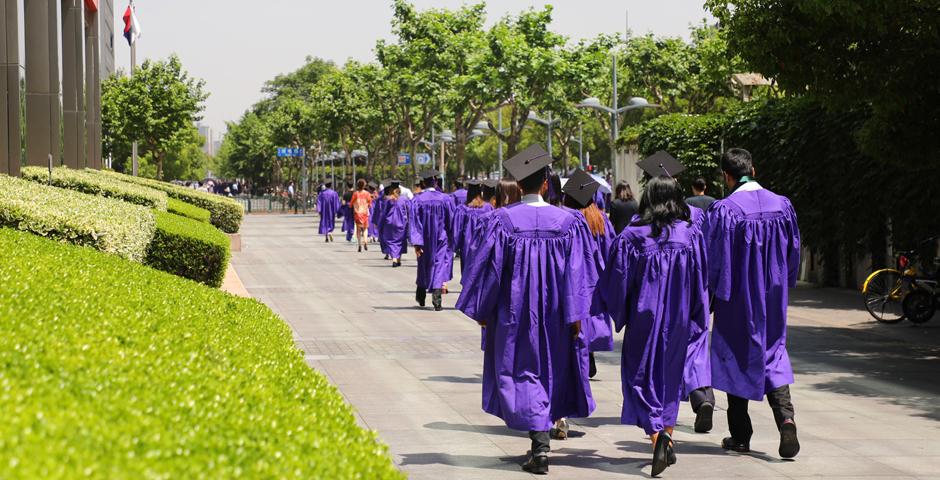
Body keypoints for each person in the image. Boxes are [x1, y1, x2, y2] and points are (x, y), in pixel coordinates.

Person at [456, 145, 595, 475]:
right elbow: (579, 274)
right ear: (547, 184)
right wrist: (576, 316)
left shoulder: (501, 221)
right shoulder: (569, 222)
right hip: (557, 315)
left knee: (523, 373)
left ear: (519, 186)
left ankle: (540, 444)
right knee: (551, 371)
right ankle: (542, 440)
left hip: (514, 315)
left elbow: (486, 270)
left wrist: (484, 313)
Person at [599, 175, 710, 476]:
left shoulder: (633, 236)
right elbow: (701, 281)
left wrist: (617, 311)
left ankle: (657, 436)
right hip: (679, 320)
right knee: (669, 379)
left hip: (643, 320)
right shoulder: (690, 234)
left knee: (638, 377)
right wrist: (698, 316)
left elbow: (618, 283)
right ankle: (667, 438)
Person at [705, 148, 801, 459]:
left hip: (737, 297)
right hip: (772, 296)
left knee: (736, 356)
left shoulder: (724, 210)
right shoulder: (782, 206)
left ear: (726, 176)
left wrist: (708, 297)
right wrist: (784, 286)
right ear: (754, 169)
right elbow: (793, 253)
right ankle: (786, 420)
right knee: (773, 352)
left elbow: (714, 261)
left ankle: (741, 436)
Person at [561, 169, 615, 379]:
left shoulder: (565, 219)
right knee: (590, 319)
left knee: (576, 319)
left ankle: (582, 358)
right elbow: (610, 250)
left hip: (573, 279)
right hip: (595, 279)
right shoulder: (600, 219)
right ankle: (588, 355)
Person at [410, 169, 455, 311]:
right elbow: (451, 220)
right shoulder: (445, 199)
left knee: (423, 264)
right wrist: (452, 237)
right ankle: (437, 299)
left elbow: (414, 222)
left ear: (422, 183)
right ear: (435, 182)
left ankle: (421, 294)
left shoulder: (417, 199)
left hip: (424, 238)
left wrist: (417, 243)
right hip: (441, 238)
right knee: (439, 264)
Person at [456, 181, 493, 276]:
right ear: (480, 192)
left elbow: (457, 231)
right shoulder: (488, 208)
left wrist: (455, 246)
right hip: (483, 246)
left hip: (466, 247)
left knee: (467, 275)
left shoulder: (462, 209)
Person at [381, 181, 410, 267]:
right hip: (401, 223)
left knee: (392, 241)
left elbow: (384, 212)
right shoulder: (404, 200)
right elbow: (408, 211)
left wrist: (380, 223)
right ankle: (398, 259)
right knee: (400, 241)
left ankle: (394, 258)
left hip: (390, 223)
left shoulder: (388, 199)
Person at [351, 179, 373, 253]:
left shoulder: (355, 194)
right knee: (365, 228)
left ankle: (359, 244)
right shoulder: (367, 194)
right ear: (364, 186)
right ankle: (365, 241)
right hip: (365, 213)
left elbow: (351, 203)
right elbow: (370, 204)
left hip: (357, 213)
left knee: (358, 229)